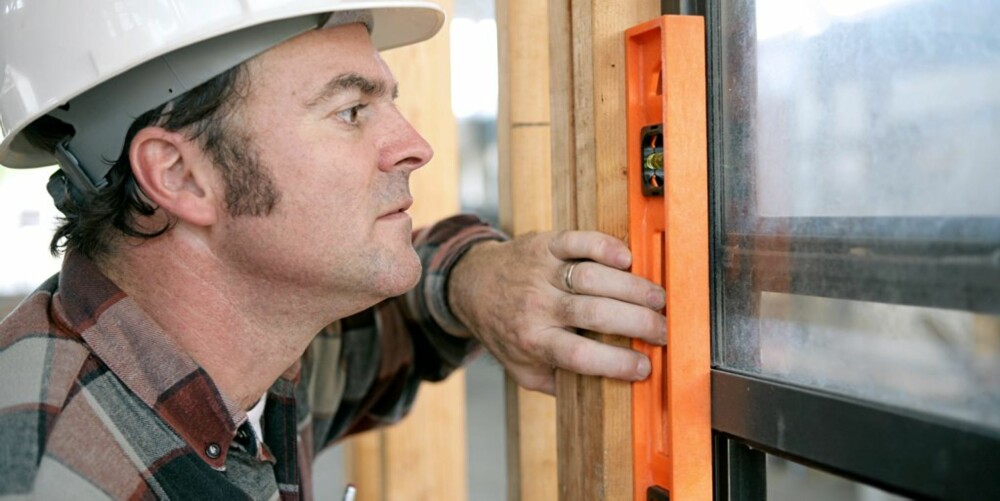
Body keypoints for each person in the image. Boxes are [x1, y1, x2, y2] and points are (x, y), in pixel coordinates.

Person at [0, 1, 666, 498]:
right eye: (351, 111)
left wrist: (475, 280)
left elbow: (408, 321)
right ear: (180, 175)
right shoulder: (56, 474)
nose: (416, 146)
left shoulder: (260, 357)